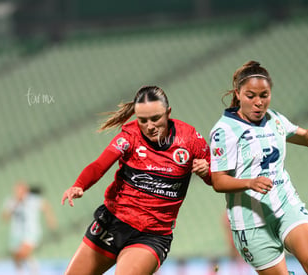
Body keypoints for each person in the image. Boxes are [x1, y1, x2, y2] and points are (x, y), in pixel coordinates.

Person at [209, 61, 308, 275]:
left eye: (264, 95)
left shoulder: (275, 119)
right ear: (238, 94)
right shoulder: (224, 131)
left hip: (287, 206)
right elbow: (218, 181)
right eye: (251, 96)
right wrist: (250, 182)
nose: (259, 102)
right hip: (250, 222)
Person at [61, 85, 211, 275]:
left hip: (152, 235)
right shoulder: (129, 137)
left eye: (156, 118)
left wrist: (207, 172)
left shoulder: (190, 139)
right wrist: (79, 185)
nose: (150, 126)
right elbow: (100, 165)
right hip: (113, 222)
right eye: (143, 120)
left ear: (168, 113)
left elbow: (217, 178)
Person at [2, 180, 58, 275]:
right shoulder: (11, 201)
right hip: (16, 233)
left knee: (23, 252)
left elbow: (46, 207)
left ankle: (35, 271)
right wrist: (15, 204)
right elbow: (5, 217)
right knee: (16, 256)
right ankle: (22, 271)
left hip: (32, 232)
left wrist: (50, 220)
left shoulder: (33, 200)